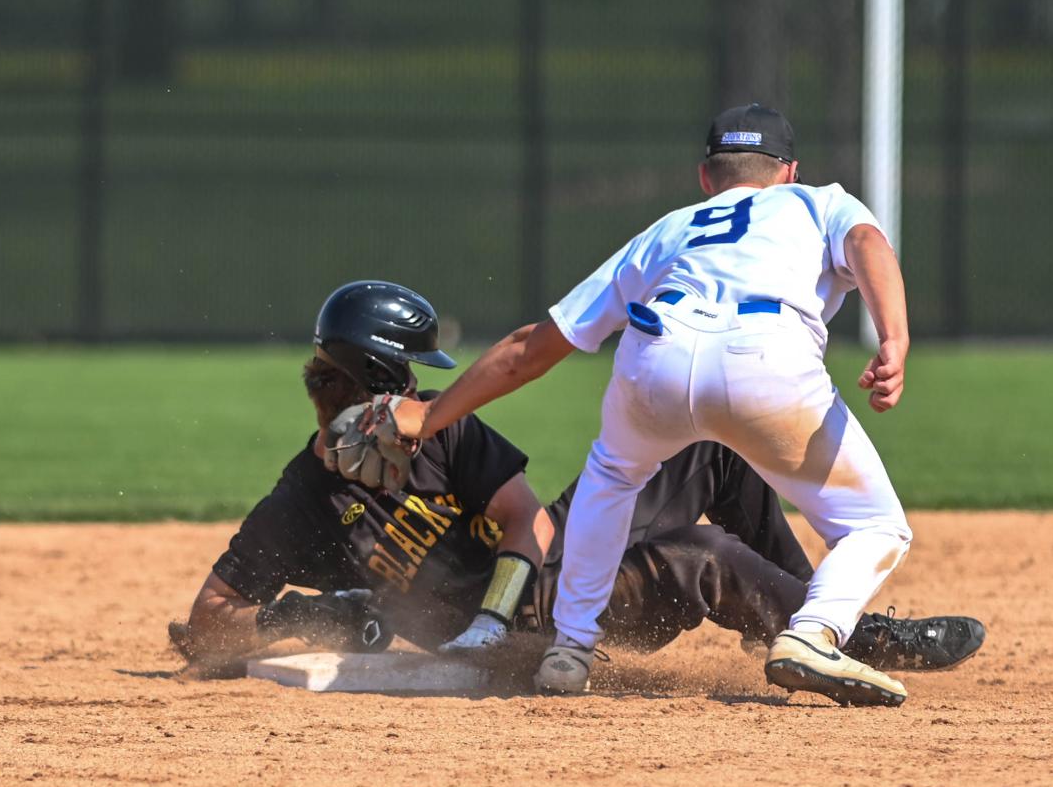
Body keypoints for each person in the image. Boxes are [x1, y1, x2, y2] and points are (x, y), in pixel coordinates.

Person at [376, 105, 925, 706]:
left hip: (656, 351)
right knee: (875, 525)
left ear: (705, 178)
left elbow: (528, 349)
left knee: (611, 477)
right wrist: (892, 337)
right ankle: (812, 633)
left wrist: (429, 416)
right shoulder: (817, 202)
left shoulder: (669, 230)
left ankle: (569, 649)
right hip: (766, 355)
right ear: (789, 172)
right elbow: (868, 241)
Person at [177, 280, 985, 681]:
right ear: (378, 371)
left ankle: (825, 624)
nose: (424, 387)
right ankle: (830, 631)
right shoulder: (304, 499)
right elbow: (205, 623)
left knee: (715, 453)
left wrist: (497, 617)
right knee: (698, 553)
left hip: (526, 593)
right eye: (412, 372)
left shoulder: (438, 424)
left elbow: (527, 520)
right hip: (518, 625)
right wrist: (304, 617)